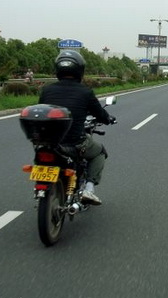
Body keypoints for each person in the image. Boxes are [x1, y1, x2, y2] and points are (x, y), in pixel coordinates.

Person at [38, 50, 116, 205]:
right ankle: (89, 189)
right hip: (75, 143)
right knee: (100, 152)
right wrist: (108, 119)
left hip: (49, 143)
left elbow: (42, 110)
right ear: (80, 69)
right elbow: (99, 113)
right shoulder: (85, 92)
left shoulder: (47, 90)